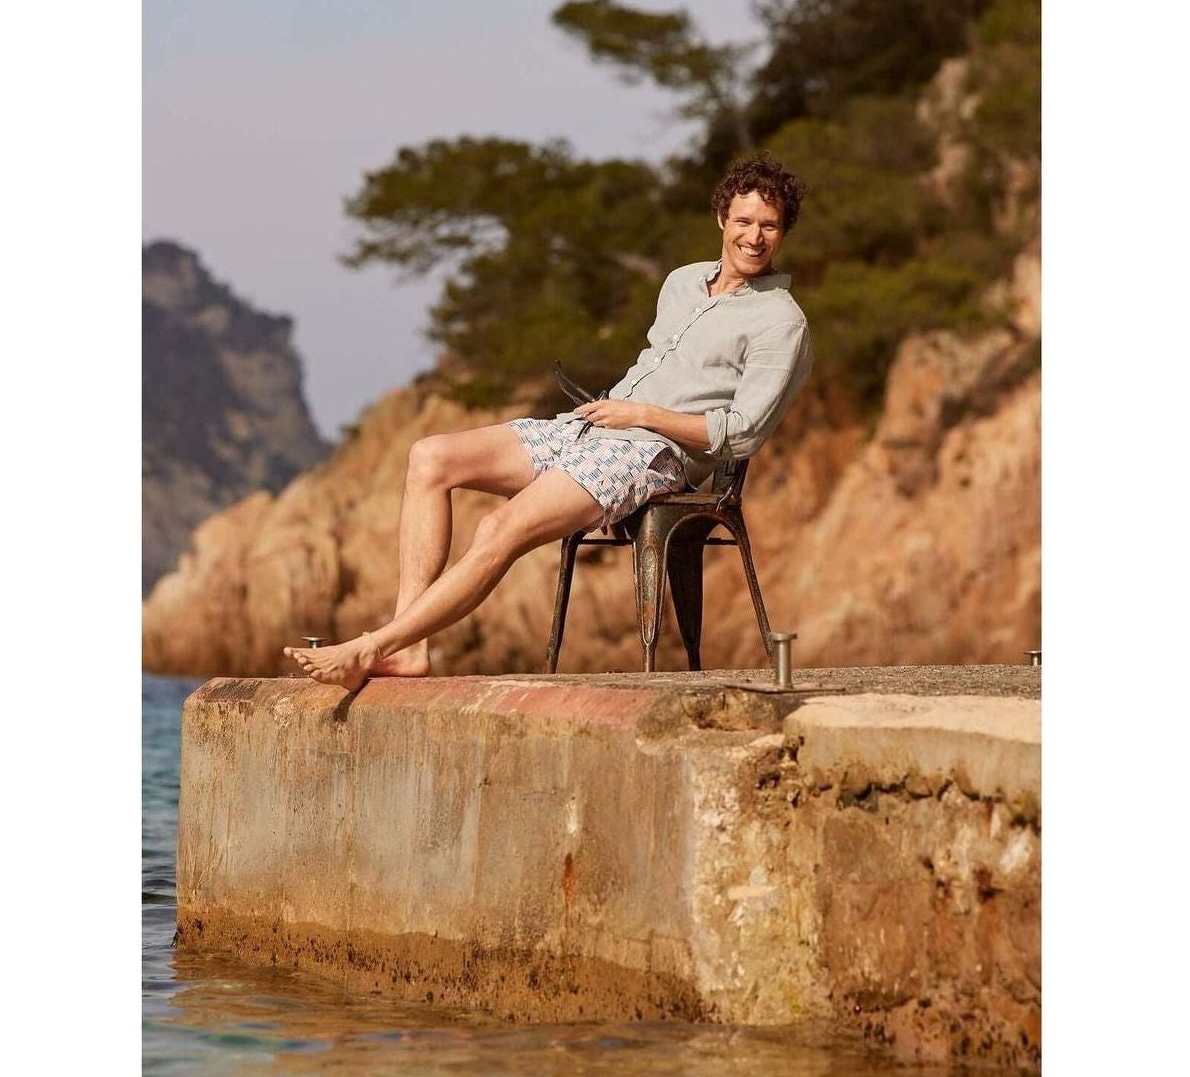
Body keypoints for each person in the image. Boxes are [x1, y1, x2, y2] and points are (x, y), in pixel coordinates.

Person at [283, 152, 815, 691]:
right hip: (593, 427)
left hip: (652, 454)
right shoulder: (681, 282)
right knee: (430, 456)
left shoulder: (781, 321)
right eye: (744, 221)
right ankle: (411, 647)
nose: (754, 237)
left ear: (784, 232)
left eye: (769, 226)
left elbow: (744, 430)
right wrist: (617, 412)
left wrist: (641, 415)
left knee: (499, 528)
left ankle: (375, 645)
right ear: (722, 219)